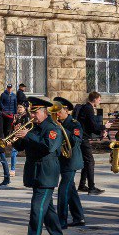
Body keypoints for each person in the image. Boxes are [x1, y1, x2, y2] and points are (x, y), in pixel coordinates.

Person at [13, 96, 66, 235]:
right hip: (35, 173)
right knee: (47, 209)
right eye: (32, 113)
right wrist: (16, 135)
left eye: (35, 113)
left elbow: (47, 147)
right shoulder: (35, 127)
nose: (32, 116)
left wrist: (28, 135)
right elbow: (21, 146)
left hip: (46, 174)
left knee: (37, 208)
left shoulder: (53, 128)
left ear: (44, 112)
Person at [51, 97, 85, 228]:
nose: (57, 114)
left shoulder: (74, 123)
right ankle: (79, 217)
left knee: (63, 190)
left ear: (66, 110)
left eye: (59, 111)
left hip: (71, 161)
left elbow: (76, 140)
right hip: (61, 160)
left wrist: (62, 130)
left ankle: (62, 221)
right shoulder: (55, 122)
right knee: (71, 190)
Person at [76, 92, 105, 194]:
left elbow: (89, 126)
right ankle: (91, 188)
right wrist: (105, 127)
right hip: (83, 139)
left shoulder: (85, 107)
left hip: (82, 137)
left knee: (86, 162)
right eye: (99, 100)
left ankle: (82, 185)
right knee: (90, 162)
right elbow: (93, 126)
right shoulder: (89, 108)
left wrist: (100, 132)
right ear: (95, 99)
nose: (99, 102)